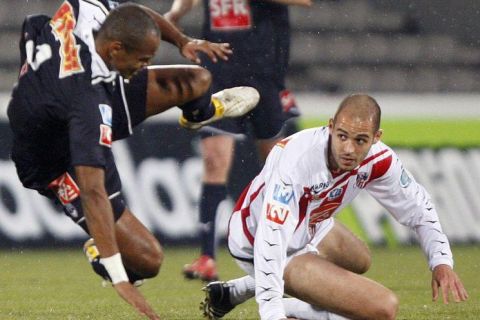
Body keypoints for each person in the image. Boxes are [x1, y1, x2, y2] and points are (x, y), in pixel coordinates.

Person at [7, 1, 260, 319]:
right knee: (147, 260)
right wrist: (119, 277)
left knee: (198, 80)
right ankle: (99, 253)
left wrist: (182, 41)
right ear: (114, 49)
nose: (146, 66)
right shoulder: (85, 100)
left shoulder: (85, 11)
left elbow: (133, 13)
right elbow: (92, 189)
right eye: (142, 59)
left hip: (87, 94)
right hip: (54, 159)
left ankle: (202, 113)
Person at [199, 94, 469, 320]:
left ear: (376, 137)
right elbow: (272, 236)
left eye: (360, 140)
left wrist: (441, 262)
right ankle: (291, 309)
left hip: (308, 227)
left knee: (359, 258)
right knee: (383, 308)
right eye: (342, 136)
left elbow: (419, 210)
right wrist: (272, 311)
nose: (348, 148)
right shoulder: (297, 160)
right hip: (257, 241)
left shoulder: (380, 160)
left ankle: (236, 291)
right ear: (331, 127)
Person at [165, 0, 311, 282]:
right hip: (220, 70)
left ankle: (290, 247)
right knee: (214, 159)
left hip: (264, 72)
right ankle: (207, 257)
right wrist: (175, 13)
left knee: (276, 166)